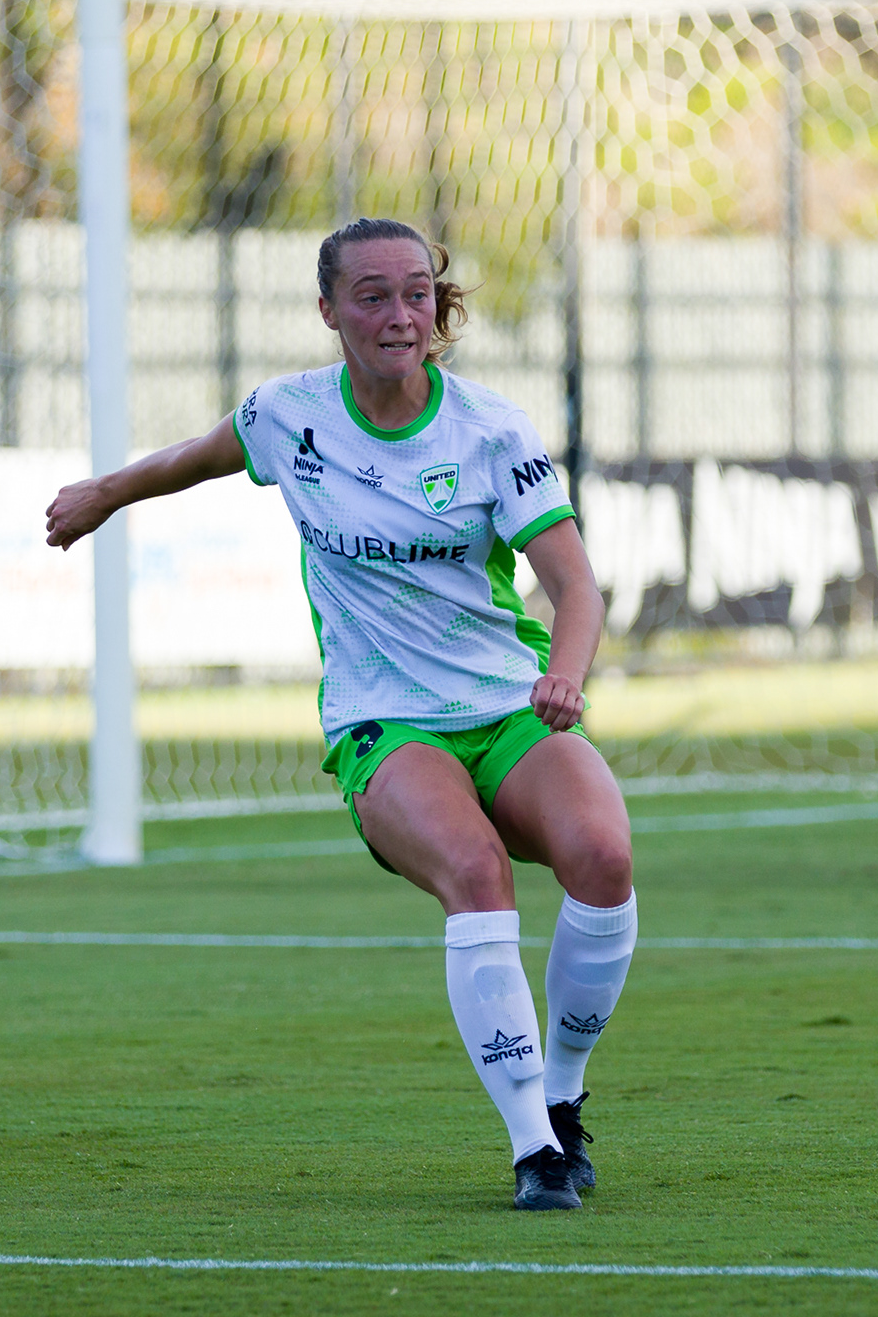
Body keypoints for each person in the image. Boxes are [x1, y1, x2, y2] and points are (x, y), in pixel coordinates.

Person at [45, 218, 635, 1212]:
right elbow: (195, 457)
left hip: (509, 703)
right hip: (385, 720)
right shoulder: (291, 417)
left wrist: (566, 678)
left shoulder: (491, 432)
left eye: (417, 294)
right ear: (329, 311)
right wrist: (104, 494)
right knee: (477, 875)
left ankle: (566, 1096)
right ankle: (535, 1147)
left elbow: (576, 587)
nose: (400, 315)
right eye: (373, 296)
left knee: (605, 859)